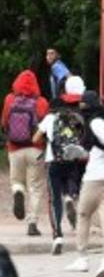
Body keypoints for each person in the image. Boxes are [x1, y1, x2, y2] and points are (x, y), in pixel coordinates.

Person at [38, 75, 87, 256]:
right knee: (71, 183)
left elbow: (35, 137)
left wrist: (46, 140)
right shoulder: (78, 114)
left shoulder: (51, 116)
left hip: (53, 160)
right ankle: (70, 196)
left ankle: (57, 235)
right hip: (73, 159)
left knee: (53, 199)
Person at [1, 69, 49, 237]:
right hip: (36, 149)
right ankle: (32, 223)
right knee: (35, 187)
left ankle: (18, 192)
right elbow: (45, 128)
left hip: (14, 148)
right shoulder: (41, 102)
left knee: (16, 181)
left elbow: (4, 123)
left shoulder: (9, 100)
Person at [65, 90, 104, 277]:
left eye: (83, 103)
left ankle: (84, 258)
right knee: (84, 213)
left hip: (97, 176)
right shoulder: (95, 121)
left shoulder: (96, 122)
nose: (81, 106)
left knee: (85, 214)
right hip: (94, 174)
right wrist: (80, 152)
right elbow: (95, 147)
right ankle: (84, 258)